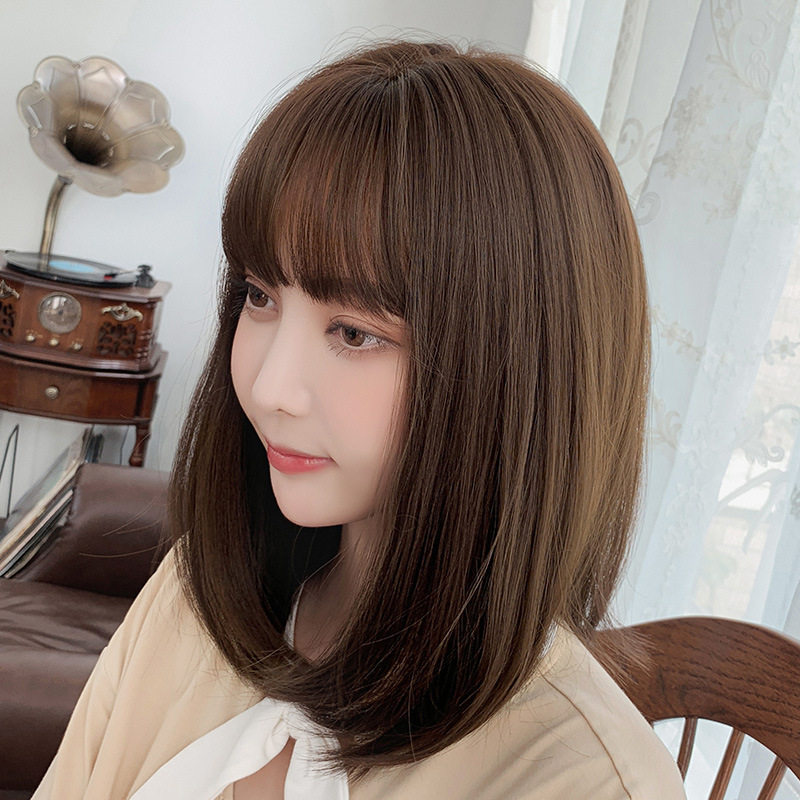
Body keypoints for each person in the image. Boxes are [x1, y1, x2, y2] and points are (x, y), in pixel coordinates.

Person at [33, 40, 686, 799]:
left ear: (514, 371)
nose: (270, 388)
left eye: (354, 332)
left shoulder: (583, 781)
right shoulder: (191, 601)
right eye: (259, 296)